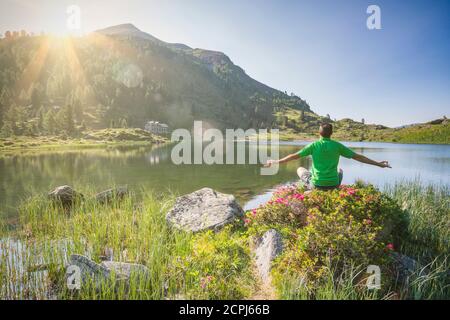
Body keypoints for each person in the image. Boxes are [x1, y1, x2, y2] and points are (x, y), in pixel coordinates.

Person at [264, 123, 391, 190]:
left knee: (300, 169)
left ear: (319, 133)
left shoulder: (313, 145)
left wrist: (275, 161)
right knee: (340, 170)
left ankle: (308, 188)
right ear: (331, 133)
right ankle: (329, 186)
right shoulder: (337, 146)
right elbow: (358, 157)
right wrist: (379, 164)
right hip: (333, 184)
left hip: (317, 184)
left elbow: (293, 156)